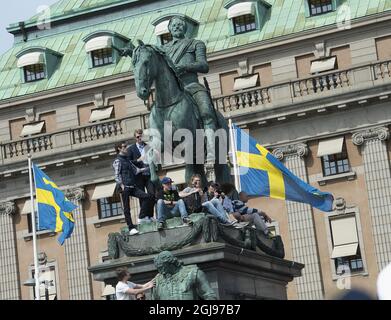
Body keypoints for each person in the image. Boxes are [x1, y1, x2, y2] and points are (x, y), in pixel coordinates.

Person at [162, 16, 219, 163]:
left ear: (185, 28)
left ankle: (211, 147)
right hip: (173, 90)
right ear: (169, 29)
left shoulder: (195, 44)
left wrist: (186, 67)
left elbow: (203, 65)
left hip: (192, 86)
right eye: (173, 25)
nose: (177, 27)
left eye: (180, 25)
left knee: (206, 111)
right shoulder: (163, 49)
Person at [112, 142, 155, 235]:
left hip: (132, 186)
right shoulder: (118, 161)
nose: (126, 148)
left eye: (126, 146)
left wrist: (147, 168)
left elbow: (136, 170)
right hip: (125, 187)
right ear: (119, 148)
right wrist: (122, 185)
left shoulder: (127, 160)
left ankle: (141, 217)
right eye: (124, 147)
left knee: (147, 197)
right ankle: (131, 228)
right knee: (127, 208)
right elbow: (116, 175)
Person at [126, 129, 155, 222]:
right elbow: (128, 162)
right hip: (138, 176)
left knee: (152, 194)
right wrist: (138, 160)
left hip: (148, 174)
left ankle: (150, 215)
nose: (139, 138)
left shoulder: (148, 146)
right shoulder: (131, 149)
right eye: (138, 137)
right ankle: (143, 217)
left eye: (141, 136)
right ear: (135, 138)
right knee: (142, 196)